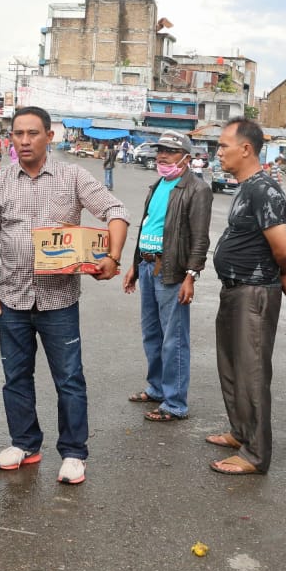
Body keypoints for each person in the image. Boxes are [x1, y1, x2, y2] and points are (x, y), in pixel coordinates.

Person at [0, 106, 129, 485]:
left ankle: (74, 453)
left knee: (69, 379)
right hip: (12, 296)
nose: (25, 140)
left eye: (33, 133)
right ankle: (25, 444)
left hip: (59, 301)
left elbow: (115, 211)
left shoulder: (72, 176)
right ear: (11, 138)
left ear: (50, 135)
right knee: (15, 376)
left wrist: (111, 258)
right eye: (18, 134)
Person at [206, 119, 286, 476]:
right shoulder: (247, 187)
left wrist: (284, 274)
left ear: (245, 149)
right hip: (235, 289)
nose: (218, 152)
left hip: (255, 293)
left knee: (251, 372)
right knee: (231, 366)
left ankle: (255, 454)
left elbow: (283, 248)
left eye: (223, 145)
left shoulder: (265, 189)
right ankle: (240, 433)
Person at [122, 130, 212, 423]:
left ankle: (175, 403)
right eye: (160, 150)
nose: (163, 156)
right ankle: (157, 388)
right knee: (152, 333)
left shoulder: (197, 190)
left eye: (171, 152)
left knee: (174, 338)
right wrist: (135, 265)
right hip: (148, 267)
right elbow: (147, 227)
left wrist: (191, 275)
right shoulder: (158, 184)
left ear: (186, 158)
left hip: (171, 270)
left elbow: (200, 239)